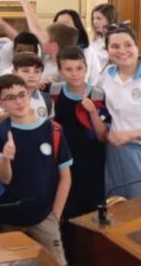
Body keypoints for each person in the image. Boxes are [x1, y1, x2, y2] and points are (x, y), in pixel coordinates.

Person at [0, 74, 72, 265]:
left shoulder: (53, 130)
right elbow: (5, 178)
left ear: (29, 95)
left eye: (22, 94)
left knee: (56, 261)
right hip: (9, 218)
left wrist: (55, 215)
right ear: (1, 103)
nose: (18, 101)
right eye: (10, 98)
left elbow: (65, 177)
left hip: (44, 216)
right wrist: (5, 158)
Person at [51, 47, 110, 263]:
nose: (75, 73)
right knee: (66, 210)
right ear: (60, 70)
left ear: (86, 68)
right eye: (68, 69)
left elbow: (102, 135)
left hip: (91, 161)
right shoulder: (54, 91)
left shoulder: (97, 94)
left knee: (92, 209)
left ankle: (90, 256)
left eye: (79, 68)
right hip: (63, 161)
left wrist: (92, 112)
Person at [96, 24, 141, 198]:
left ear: (136, 46)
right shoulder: (106, 76)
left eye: (128, 45)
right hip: (116, 152)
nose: (122, 51)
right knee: (116, 207)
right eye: (115, 46)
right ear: (107, 50)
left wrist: (130, 134)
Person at [0, 53, 54, 123]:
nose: (32, 75)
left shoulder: (47, 99)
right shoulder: (5, 96)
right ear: (14, 72)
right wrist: (13, 114)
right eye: (25, 71)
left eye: (37, 71)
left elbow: (50, 126)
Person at [89, 3, 117, 69]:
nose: (94, 22)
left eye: (99, 18)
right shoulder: (94, 38)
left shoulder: (115, 39)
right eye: (93, 18)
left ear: (109, 19)